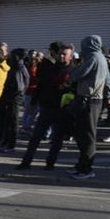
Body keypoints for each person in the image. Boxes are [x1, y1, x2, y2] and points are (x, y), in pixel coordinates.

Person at [17, 42, 74, 170]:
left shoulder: (73, 71)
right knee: (35, 137)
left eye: (65, 54)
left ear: (70, 57)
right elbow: (40, 86)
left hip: (62, 110)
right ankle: (26, 161)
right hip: (47, 107)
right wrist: (33, 103)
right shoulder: (50, 68)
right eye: (60, 54)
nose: (62, 57)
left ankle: (50, 163)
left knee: (57, 139)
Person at [68, 34, 110, 179]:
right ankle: (81, 165)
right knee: (83, 134)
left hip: (89, 100)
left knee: (87, 136)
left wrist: (73, 67)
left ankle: (86, 169)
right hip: (94, 100)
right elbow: (108, 80)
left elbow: (78, 75)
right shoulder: (101, 58)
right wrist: (108, 96)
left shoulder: (93, 57)